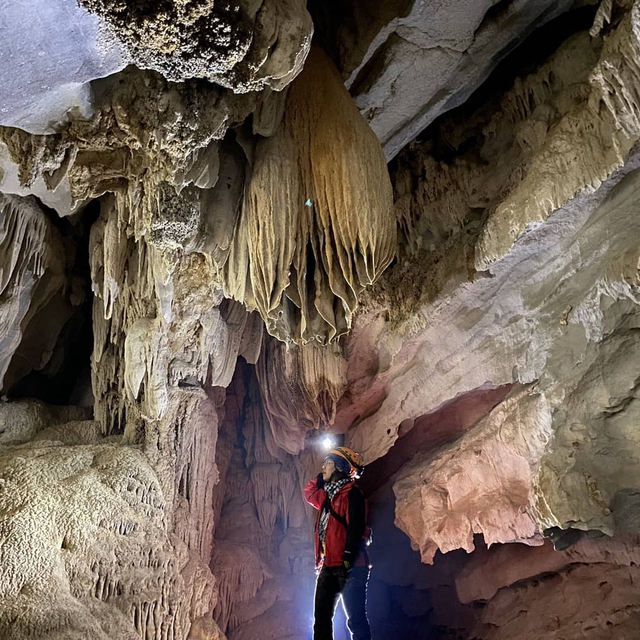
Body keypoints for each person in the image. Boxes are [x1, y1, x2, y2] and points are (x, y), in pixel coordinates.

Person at [304, 446, 372, 640]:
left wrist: (348, 559)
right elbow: (309, 493)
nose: (323, 467)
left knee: (356, 621)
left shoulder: (353, 494)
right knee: (321, 619)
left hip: (350, 566)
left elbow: (355, 528)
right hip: (328, 566)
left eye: (328, 463)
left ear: (339, 467)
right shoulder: (326, 496)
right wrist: (320, 478)